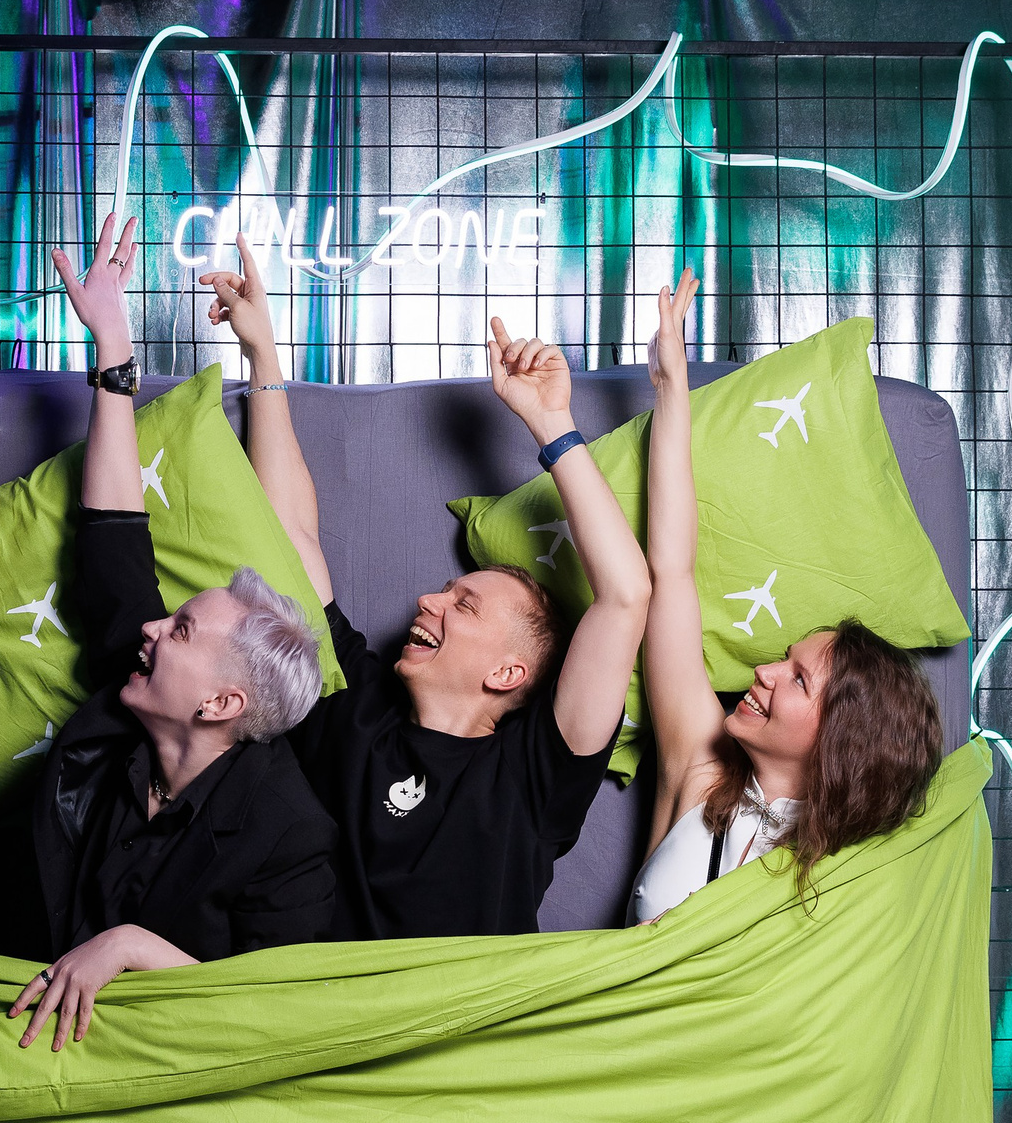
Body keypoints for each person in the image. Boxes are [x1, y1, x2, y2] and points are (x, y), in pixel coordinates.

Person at [203, 237, 650, 940]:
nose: (427, 601)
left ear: (508, 673)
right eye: (445, 591)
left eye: (463, 604)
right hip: (330, 1003)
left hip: (470, 1008)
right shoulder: (351, 707)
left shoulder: (534, 773)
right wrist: (262, 355)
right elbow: (290, 534)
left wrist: (552, 424)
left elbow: (625, 595)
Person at [8, 214, 336, 1050]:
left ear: (222, 702)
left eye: (183, 630)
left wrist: (130, 949)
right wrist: (112, 349)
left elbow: (279, 1018)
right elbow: (114, 537)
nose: (154, 628)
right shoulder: (130, 702)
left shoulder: (289, 834)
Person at [627, 272, 944, 923]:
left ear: (844, 737)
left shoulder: (855, 878)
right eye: (785, 660)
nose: (764, 671)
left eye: (798, 678)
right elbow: (673, 571)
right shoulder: (700, 766)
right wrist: (670, 388)